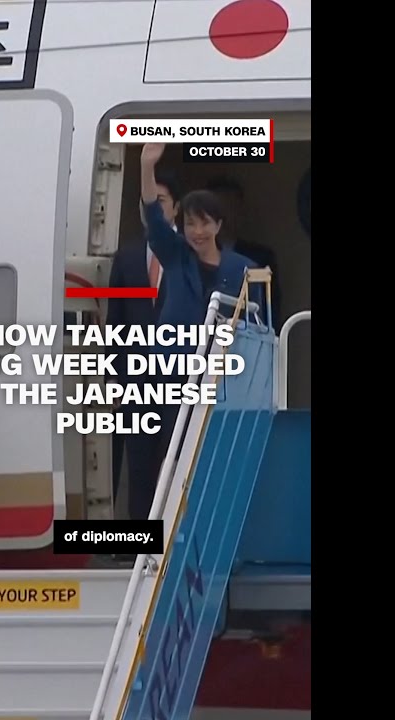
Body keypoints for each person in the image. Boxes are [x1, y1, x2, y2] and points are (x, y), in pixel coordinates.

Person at [138, 144, 264, 469]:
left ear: (218, 226)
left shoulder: (244, 269)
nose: (197, 232)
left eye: (205, 223)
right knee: (173, 459)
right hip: (175, 376)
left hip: (224, 383)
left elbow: (258, 330)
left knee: (217, 460)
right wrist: (146, 166)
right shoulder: (176, 255)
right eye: (190, 223)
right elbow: (154, 217)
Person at [107, 170, 183, 522]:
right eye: (146, 202)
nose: (151, 207)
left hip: (179, 381)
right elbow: (116, 324)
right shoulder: (127, 257)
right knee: (139, 470)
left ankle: (174, 538)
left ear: (176, 208)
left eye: (160, 201)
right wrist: (113, 380)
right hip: (135, 384)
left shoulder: (188, 254)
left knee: (177, 466)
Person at [207, 176, 285, 334]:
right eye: (219, 208)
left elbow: (270, 309)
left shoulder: (260, 257)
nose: (225, 215)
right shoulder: (194, 256)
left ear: (241, 211)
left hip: (248, 337)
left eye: (230, 207)